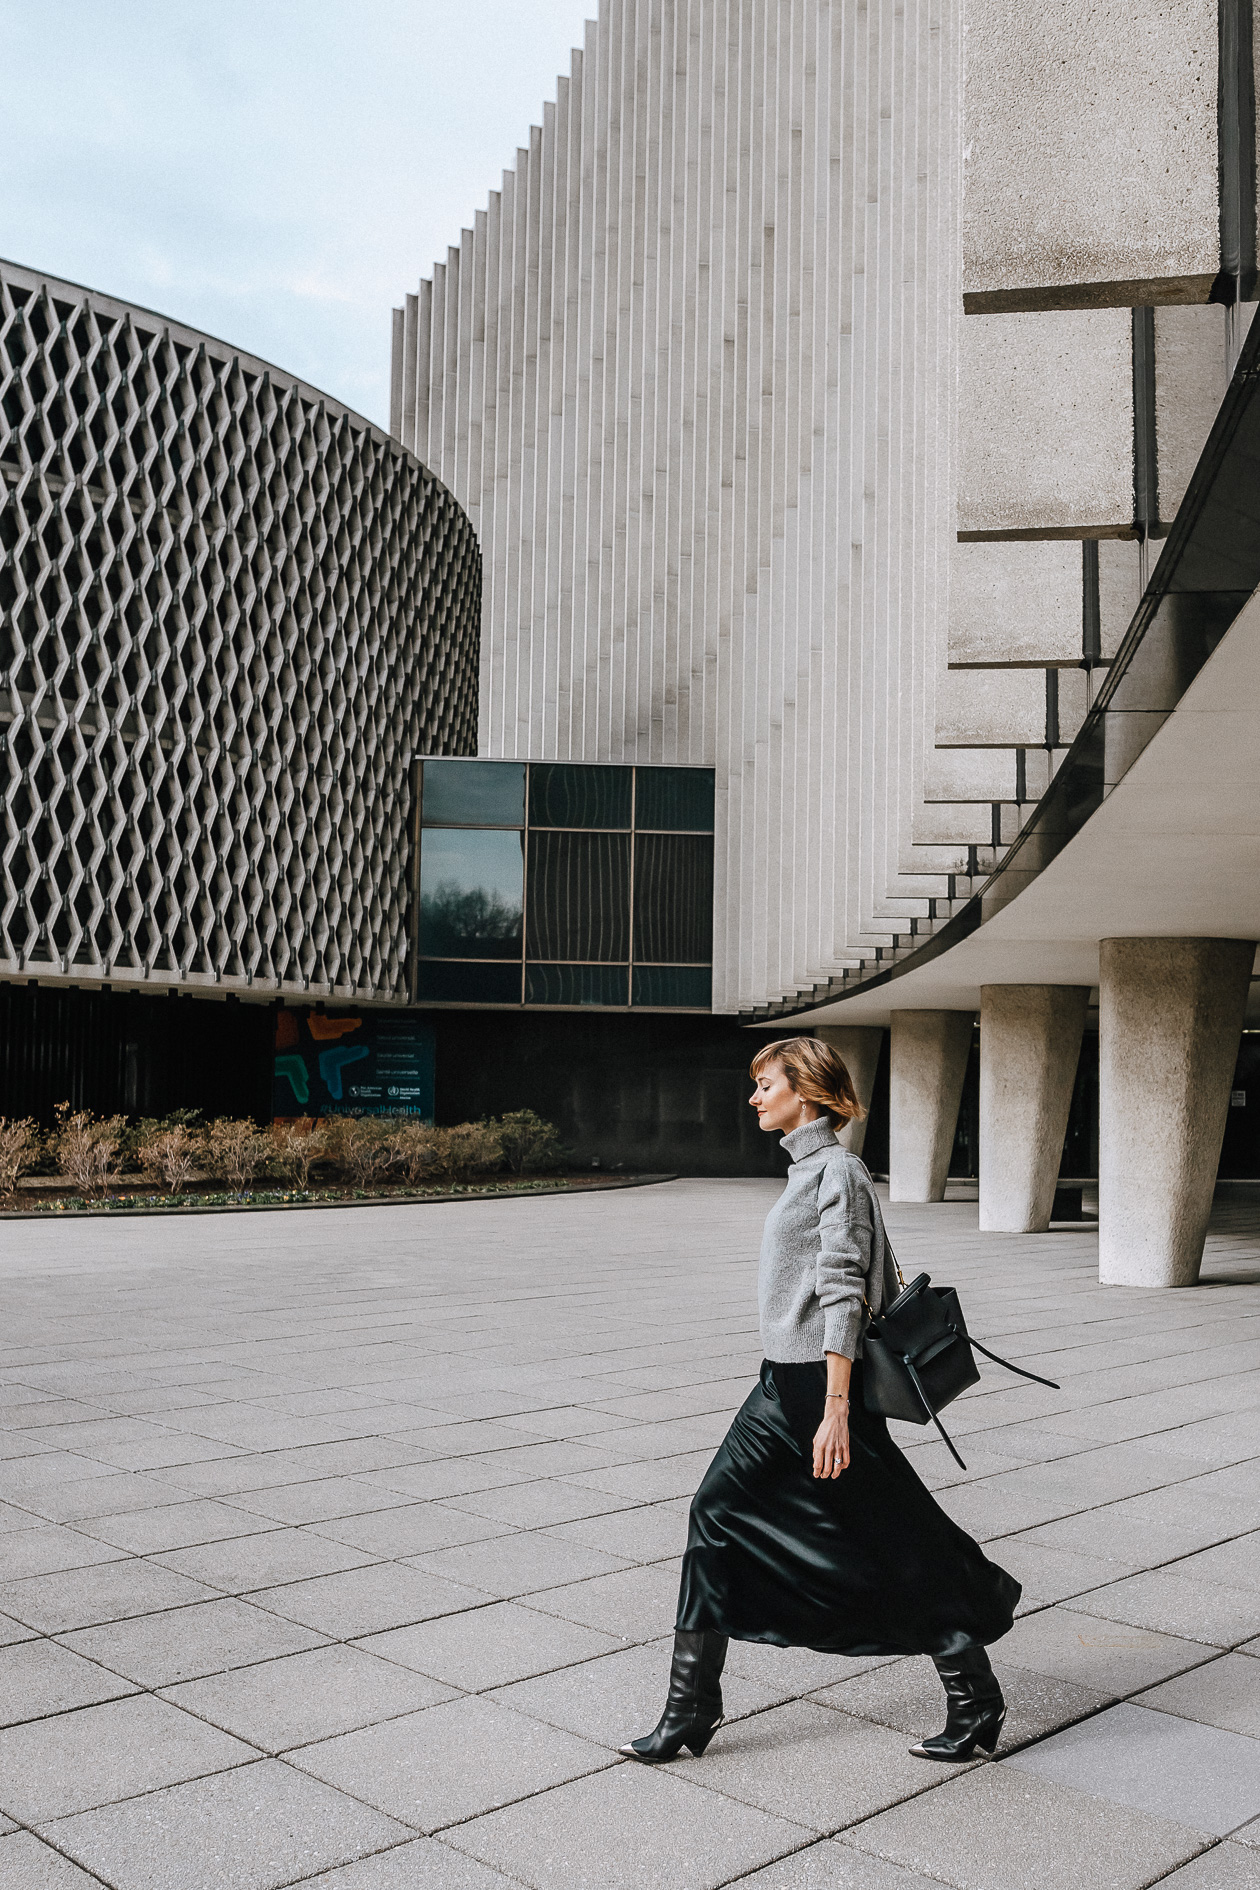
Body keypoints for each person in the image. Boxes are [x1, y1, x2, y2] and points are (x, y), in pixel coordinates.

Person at [621, 1035, 1020, 1766]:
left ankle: (973, 1693)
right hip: (779, 1382)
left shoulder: (836, 1172)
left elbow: (841, 1293)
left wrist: (836, 1408)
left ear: (803, 1092)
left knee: (890, 1538)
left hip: (815, 1388)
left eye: (765, 1086)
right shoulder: (811, 1171)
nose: (754, 1098)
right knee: (715, 1514)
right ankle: (691, 1709)